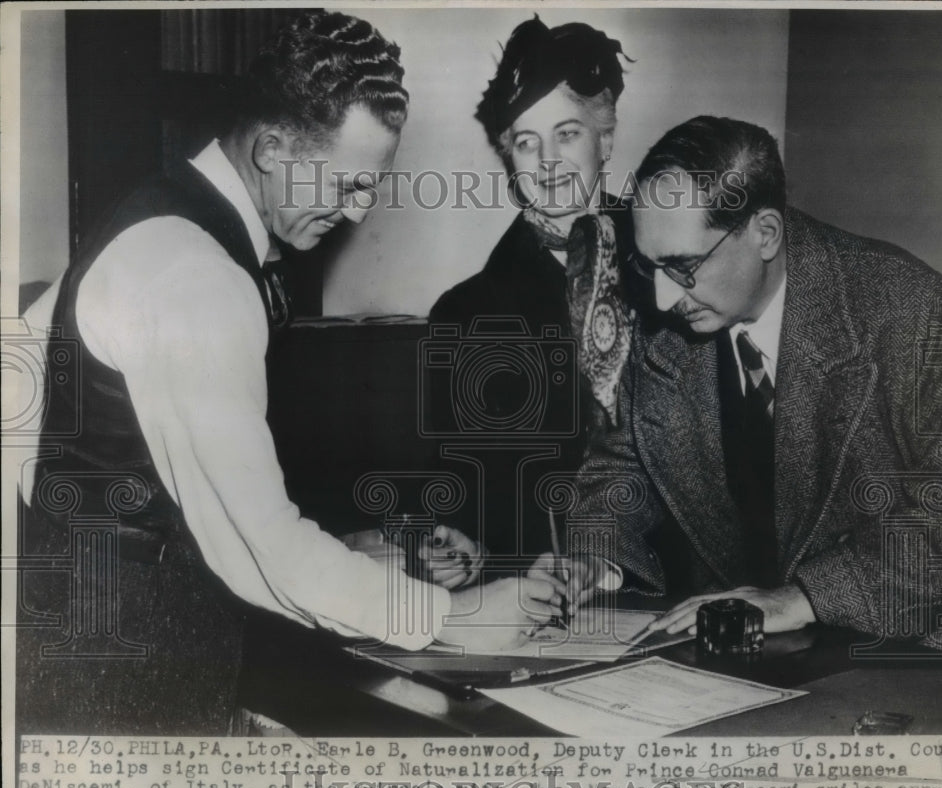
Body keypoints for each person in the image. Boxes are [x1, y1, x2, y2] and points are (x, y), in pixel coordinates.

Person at [16, 11, 560, 736]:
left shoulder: (149, 217)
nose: (360, 209)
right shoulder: (195, 276)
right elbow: (267, 554)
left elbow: (32, 443)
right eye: (347, 184)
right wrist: (460, 614)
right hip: (130, 671)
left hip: (81, 640)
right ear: (272, 149)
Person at [570, 116, 942, 653]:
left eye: (685, 267)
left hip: (895, 646)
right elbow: (621, 470)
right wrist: (593, 560)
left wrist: (803, 598)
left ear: (765, 233)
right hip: (727, 651)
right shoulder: (665, 320)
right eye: (650, 268)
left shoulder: (907, 307)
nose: (665, 299)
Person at [427, 16, 635, 566]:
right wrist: (470, 552)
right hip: (553, 577)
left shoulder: (672, 269)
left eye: (566, 135)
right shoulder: (467, 313)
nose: (547, 164)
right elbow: (468, 492)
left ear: (605, 139)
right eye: (527, 143)